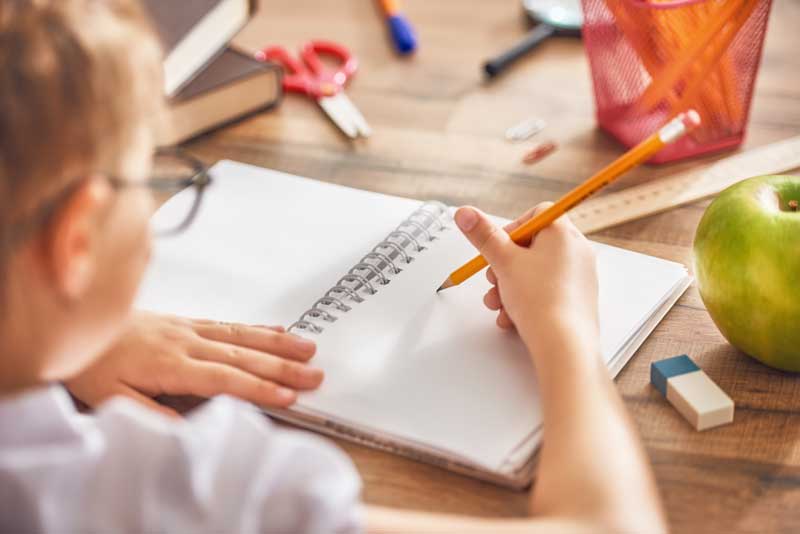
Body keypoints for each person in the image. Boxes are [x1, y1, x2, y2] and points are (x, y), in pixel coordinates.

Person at [0, 1, 667, 533]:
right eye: (150, 180)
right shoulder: (161, 495)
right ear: (76, 242)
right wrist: (566, 328)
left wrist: (51, 335)